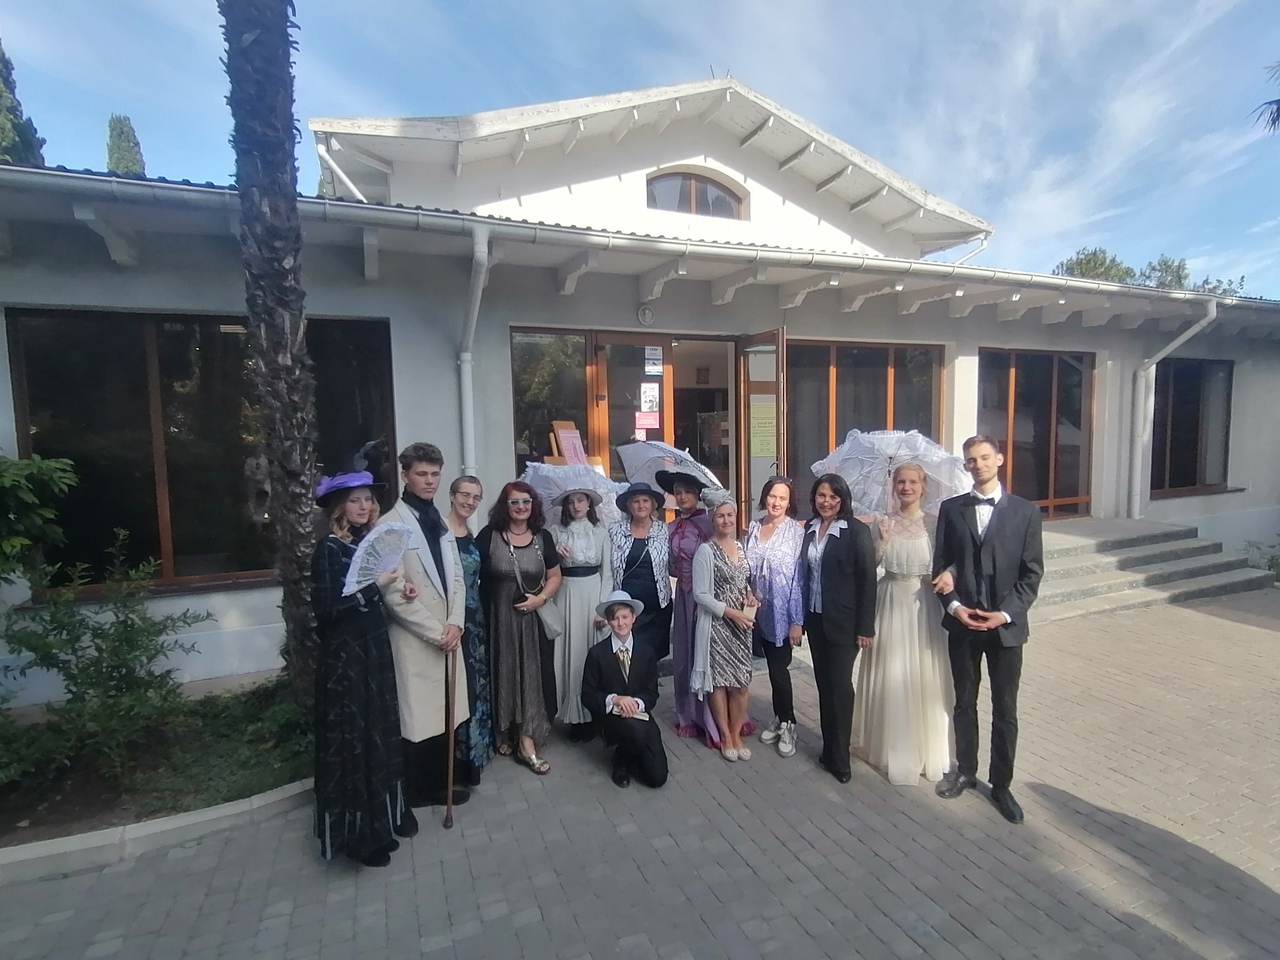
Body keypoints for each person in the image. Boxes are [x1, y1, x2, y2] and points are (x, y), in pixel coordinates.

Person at [931, 436, 1044, 824]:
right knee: (964, 702)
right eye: (971, 460)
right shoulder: (952, 509)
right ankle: (966, 770)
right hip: (963, 624)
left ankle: (1002, 785)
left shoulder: (1026, 512)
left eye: (983, 458)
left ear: (999, 459)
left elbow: (1031, 574)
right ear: (966, 466)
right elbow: (942, 566)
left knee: (1005, 708)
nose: (977, 465)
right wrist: (955, 606)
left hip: (1005, 629)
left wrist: (1005, 615)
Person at [310, 471, 413, 868]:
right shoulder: (329, 549)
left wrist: (398, 589)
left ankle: (381, 824)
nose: (364, 506)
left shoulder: (362, 544)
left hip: (373, 647)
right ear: (340, 507)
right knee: (354, 738)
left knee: (378, 733)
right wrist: (375, 587)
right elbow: (328, 610)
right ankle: (357, 837)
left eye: (368, 499)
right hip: (346, 658)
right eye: (355, 500)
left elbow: (372, 593)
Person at [378, 443, 473, 808]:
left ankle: (440, 783)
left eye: (435, 474)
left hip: (449, 633)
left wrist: (456, 623)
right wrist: (437, 633)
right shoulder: (390, 526)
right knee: (420, 718)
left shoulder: (441, 522)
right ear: (405, 476)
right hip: (417, 638)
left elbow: (457, 579)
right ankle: (417, 791)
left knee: (445, 713)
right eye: (422, 474)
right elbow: (394, 592)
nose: (430, 481)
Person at [851, 463, 954, 785]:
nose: (906, 488)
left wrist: (944, 576)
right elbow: (869, 568)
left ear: (923, 487)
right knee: (891, 673)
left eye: (912, 482)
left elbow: (947, 563)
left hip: (924, 606)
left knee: (923, 675)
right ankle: (889, 746)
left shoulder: (935, 523)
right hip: (890, 602)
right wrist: (881, 543)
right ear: (893, 486)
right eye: (900, 482)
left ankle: (925, 749)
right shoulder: (882, 522)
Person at [476, 481, 563, 775]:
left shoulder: (542, 537)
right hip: (498, 620)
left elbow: (555, 575)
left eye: (526, 501)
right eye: (514, 502)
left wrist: (541, 598)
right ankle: (506, 730)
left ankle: (527, 741)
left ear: (533, 505)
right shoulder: (489, 536)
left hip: (533, 623)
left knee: (532, 677)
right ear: (505, 506)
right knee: (504, 672)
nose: (521, 507)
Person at [800, 473, 877, 784]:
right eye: (821, 495)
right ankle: (829, 749)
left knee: (840, 687)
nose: (826, 501)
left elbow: (868, 581)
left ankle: (841, 759)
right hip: (816, 619)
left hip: (845, 624)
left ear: (842, 499)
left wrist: (866, 627)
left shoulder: (856, 531)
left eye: (833, 496)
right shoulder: (809, 528)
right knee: (824, 685)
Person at [691, 496, 758, 762]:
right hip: (718, 626)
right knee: (719, 683)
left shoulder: (740, 547)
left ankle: (737, 732)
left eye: (730, 515)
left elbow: (743, 581)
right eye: (721, 516)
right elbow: (701, 595)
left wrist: (750, 595)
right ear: (712, 519)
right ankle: (726, 736)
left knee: (741, 683)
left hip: (742, 627)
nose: (726, 520)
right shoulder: (705, 551)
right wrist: (731, 613)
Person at [581, 590, 669, 789]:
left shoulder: (646, 651)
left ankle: (634, 752)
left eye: (625, 617)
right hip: (612, 719)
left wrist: (636, 703)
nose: (620, 623)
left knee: (657, 777)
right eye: (615, 619)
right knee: (634, 730)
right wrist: (615, 699)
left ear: (633, 617)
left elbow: (651, 693)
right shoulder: (597, 654)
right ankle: (620, 760)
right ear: (608, 621)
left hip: (640, 716)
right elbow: (587, 695)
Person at [745, 477, 806, 759]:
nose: (776, 502)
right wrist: (747, 591)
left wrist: (797, 621)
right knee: (771, 669)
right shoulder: (754, 527)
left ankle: (789, 723)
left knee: (780, 671)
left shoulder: (796, 532)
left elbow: (798, 579)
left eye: (783, 498)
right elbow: (746, 568)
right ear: (765, 497)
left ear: (789, 502)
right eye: (772, 496)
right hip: (757, 612)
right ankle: (780, 717)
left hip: (783, 613)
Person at [549, 488, 614, 743]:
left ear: (589, 504)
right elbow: (546, 568)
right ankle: (573, 715)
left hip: (592, 594)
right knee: (570, 652)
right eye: (571, 502)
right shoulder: (556, 533)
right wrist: (555, 553)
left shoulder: (600, 533)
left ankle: (594, 714)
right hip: (566, 594)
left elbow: (607, 573)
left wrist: (603, 608)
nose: (576, 506)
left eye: (580, 500)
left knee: (591, 653)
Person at [658, 469, 718, 742]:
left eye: (687, 492)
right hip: (682, 597)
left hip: (706, 595)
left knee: (705, 654)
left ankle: (710, 716)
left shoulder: (709, 524)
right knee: (683, 657)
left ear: (697, 495)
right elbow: (670, 565)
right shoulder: (671, 527)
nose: (682, 497)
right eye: (678, 492)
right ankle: (687, 714)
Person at [445, 474, 493, 784]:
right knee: (456, 688)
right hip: (453, 620)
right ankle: (456, 760)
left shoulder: (470, 533)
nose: (470, 501)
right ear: (452, 495)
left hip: (476, 620)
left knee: (476, 686)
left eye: (476, 497)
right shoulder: (441, 533)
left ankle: (476, 756)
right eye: (465, 495)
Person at [608, 482, 672, 662]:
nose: (641, 505)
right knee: (627, 652)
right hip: (625, 605)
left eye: (645, 501)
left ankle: (650, 680)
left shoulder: (665, 530)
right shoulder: (615, 530)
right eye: (636, 501)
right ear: (629, 505)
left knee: (652, 654)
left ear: (653, 505)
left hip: (657, 605)